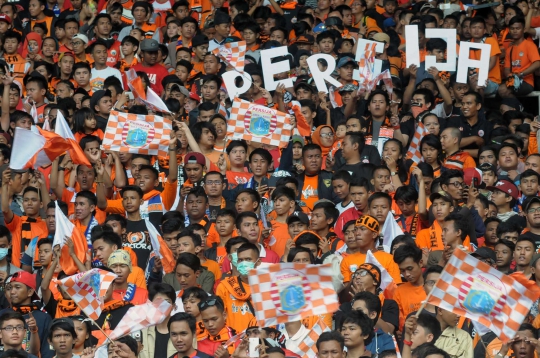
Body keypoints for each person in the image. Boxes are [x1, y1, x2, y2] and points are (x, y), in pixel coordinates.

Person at [215, 242, 259, 332]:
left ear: (258, 262)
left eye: (248, 259)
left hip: (260, 340)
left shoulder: (267, 287)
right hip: (234, 341)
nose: (244, 263)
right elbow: (218, 318)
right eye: (240, 260)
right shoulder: (225, 286)